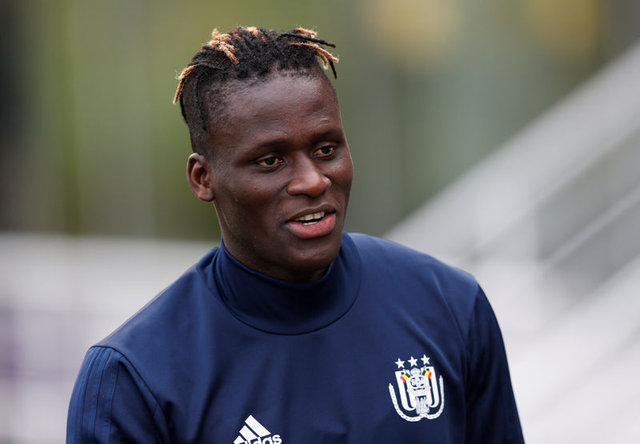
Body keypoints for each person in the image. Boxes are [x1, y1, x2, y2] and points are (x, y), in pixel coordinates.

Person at [66, 26, 524, 443]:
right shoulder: (134, 378)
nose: (312, 181)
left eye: (325, 149)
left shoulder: (449, 307)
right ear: (203, 178)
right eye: (271, 160)